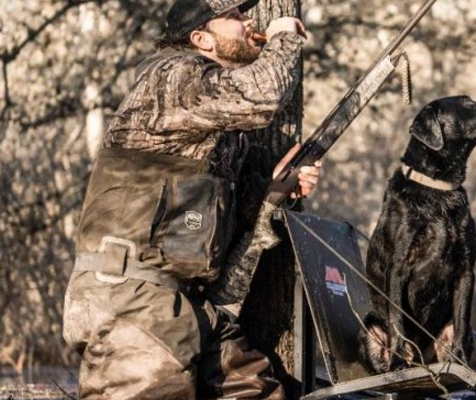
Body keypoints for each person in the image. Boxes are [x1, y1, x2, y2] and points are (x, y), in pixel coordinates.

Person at [62, 0, 320, 398]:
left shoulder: (214, 125)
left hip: (189, 305)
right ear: (201, 38)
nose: (249, 21)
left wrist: (274, 191)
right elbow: (263, 96)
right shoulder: (174, 76)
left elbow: (210, 216)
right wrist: (284, 35)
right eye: (235, 16)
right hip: (132, 302)